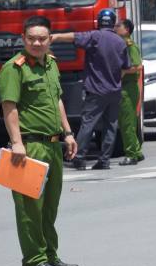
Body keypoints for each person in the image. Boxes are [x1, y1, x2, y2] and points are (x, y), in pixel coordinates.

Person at [0, 15, 79, 266]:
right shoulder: (14, 68)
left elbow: (57, 101)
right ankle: (34, 261)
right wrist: (17, 142)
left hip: (54, 145)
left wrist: (68, 133)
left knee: (49, 206)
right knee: (30, 208)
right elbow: (9, 106)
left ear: (49, 40)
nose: (36, 43)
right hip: (30, 146)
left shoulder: (51, 64)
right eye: (31, 38)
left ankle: (50, 256)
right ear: (23, 39)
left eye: (42, 38)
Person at [51, 9, 131, 171]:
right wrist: (114, 81)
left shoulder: (95, 36)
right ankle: (104, 160)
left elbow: (74, 37)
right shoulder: (120, 42)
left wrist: (55, 36)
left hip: (96, 90)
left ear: (99, 21)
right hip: (114, 91)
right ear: (113, 22)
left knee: (88, 124)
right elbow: (125, 67)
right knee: (110, 126)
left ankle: (79, 157)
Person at [115, 19, 144, 166]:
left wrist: (122, 72)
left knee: (127, 123)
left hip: (128, 87)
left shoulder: (129, 45)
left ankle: (131, 154)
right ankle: (137, 151)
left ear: (126, 30)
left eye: (118, 26)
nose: (115, 28)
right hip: (125, 87)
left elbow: (137, 66)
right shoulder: (121, 44)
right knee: (127, 121)